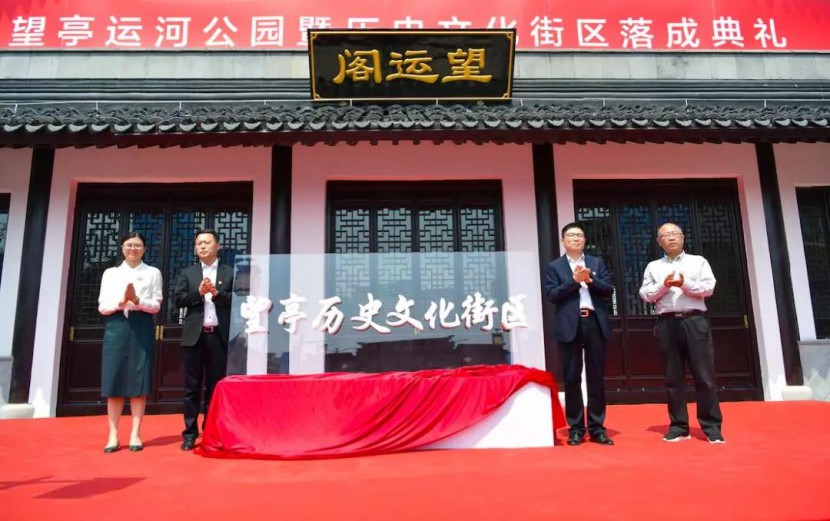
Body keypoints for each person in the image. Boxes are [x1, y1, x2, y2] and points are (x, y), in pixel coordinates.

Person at [639, 222, 725, 444]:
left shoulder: (698, 261)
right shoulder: (653, 266)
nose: (671, 238)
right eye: (665, 235)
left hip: (695, 321)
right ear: (659, 242)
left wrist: (684, 283)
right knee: (673, 378)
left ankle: (712, 427)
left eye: (675, 233)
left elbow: (709, 288)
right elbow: (645, 294)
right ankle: (678, 426)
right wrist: (665, 285)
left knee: (704, 376)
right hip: (667, 323)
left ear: (683, 237)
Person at [545, 222, 615, 446]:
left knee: (596, 377)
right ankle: (576, 428)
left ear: (584, 240)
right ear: (563, 240)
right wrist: (574, 282)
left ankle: (597, 428)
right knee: (572, 378)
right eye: (571, 235)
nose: (575, 239)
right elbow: (552, 295)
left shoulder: (595, 263)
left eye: (579, 235)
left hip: (594, 322)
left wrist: (590, 280)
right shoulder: (555, 266)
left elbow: (608, 289)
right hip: (570, 325)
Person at [97, 231, 163, 453]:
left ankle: (136, 433)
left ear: (144, 249)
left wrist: (137, 301)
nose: (133, 249)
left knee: (138, 382)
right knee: (113, 382)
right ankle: (113, 434)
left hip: (141, 326)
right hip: (116, 326)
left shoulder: (153, 273)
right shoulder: (111, 273)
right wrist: (121, 301)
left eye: (137, 245)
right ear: (122, 248)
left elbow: (156, 305)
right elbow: (102, 306)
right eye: (129, 245)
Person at [174, 229, 234, 451]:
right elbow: (178, 300)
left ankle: (211, 431)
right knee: (192, 387)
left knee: (214, 387)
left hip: (219, 336)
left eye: (207, 242)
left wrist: (217, 294)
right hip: (195, 337)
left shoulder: (230, 272)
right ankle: (190, 433)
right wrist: (198, 293)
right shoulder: (188, 273)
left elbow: (239, 300)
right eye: (199, 243)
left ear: (217, 246)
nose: (202, 246)